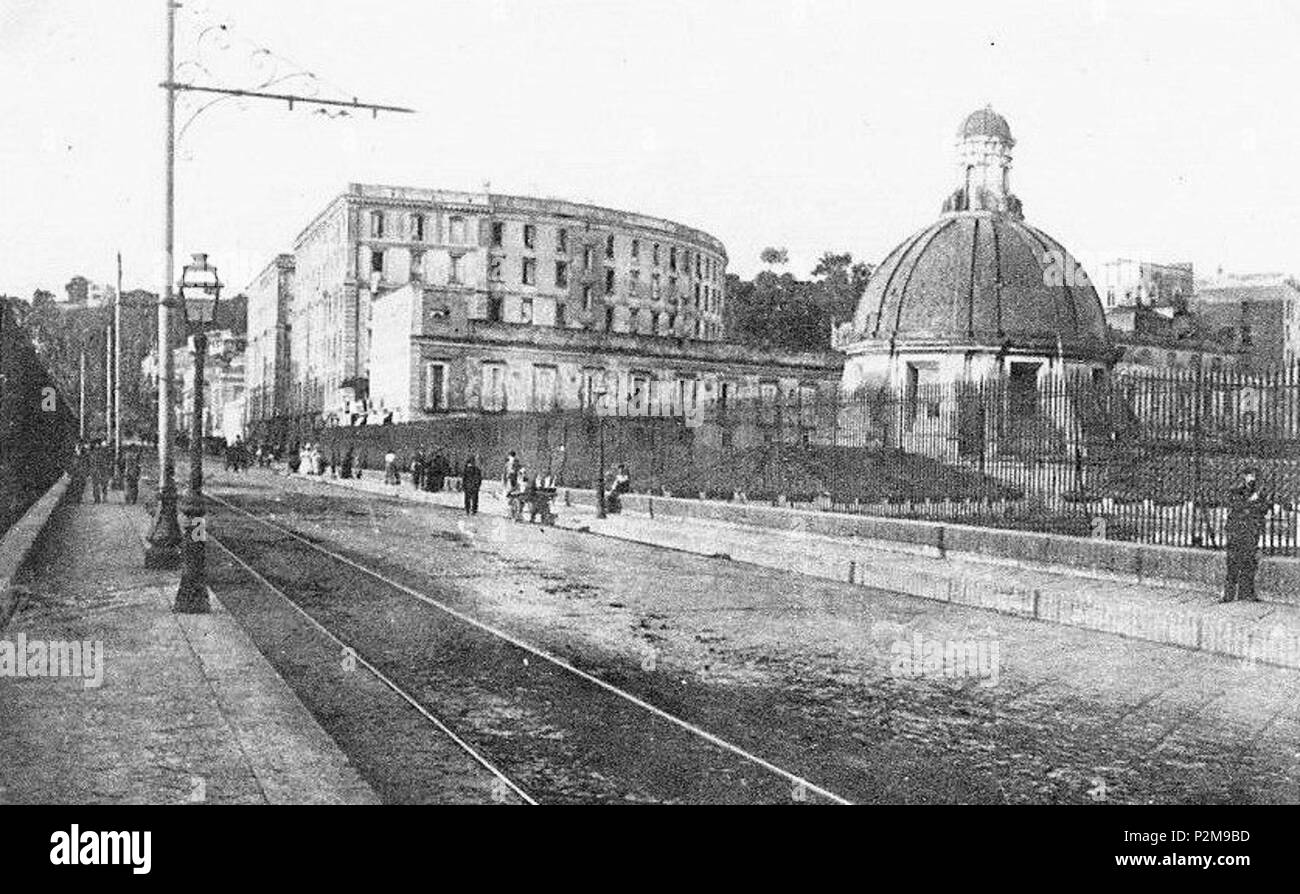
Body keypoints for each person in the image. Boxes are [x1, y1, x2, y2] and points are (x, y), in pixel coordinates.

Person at [1223, 468, 1270, 603]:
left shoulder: (1259, 493)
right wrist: (1251, 502)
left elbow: (1264, 509)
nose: (1251, 479)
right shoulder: (1236, 490)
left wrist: (1254, 504)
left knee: (1250, 562)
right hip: (1236, 531)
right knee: (1232, 562)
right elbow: (1237, 506)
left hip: (1251, 530)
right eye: (1249, 476)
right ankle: (1229, 594)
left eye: (1254, 476)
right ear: (1243, 477)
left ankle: (1247, 593)